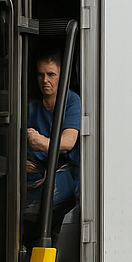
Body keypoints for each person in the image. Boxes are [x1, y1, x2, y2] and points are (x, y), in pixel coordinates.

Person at [26, 50, 80, 211]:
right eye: (40, 75)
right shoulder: (32, 106)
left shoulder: (71, 101)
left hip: (66, 169)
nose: (45, 80)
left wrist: (42, 143)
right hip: (37, 170)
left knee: (46, 195)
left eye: (51, 75)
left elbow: (68, 142)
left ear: (62, 77)